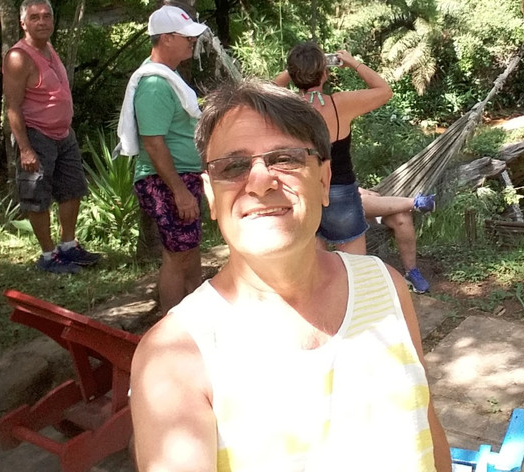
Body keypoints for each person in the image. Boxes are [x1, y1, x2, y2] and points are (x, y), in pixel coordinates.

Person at [130, 80, 451, 472]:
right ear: (211, 196)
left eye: (285, 159)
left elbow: (427, 427)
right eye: (233, 166)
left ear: (324, 181)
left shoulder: (385, 287)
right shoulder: (175, 357)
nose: (261, 181)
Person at [116, 5, 209, 314]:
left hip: (180, 177)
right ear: (167, 38)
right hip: (168, 181)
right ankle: (171, 324)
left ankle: (197, 315)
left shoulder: (167, 76)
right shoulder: (155, 85)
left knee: (189, 250)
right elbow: (154, 144)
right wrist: (179, 192)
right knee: (177, 255)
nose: (192, 42)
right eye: (186, 37)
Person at [2, 0, 100, 274]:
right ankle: (48, 255)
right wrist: (25, 149)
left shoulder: (47, 47)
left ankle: (68, 246)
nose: (42, 22)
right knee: (37, 195)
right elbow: (12, 107)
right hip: (36, 135)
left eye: (47, 16)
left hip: (63, 134)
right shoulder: (18, 57)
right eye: (35, 17)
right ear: (23, 23)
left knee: (72, 189)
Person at [274, 44, 391, 258]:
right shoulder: (340, 104)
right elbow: (384, 91)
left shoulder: (286, 107)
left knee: (315, 266)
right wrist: (353, 63)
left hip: (303, 192)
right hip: (340, 192)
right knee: (356, 264)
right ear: (325, 73)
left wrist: (295, 71)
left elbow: (261, 92)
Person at [360, 187, 435, 294]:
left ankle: (411, 272)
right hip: (349, 213)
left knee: (403, 217)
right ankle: (415, 202)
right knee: (357, 201)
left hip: (374, 211)